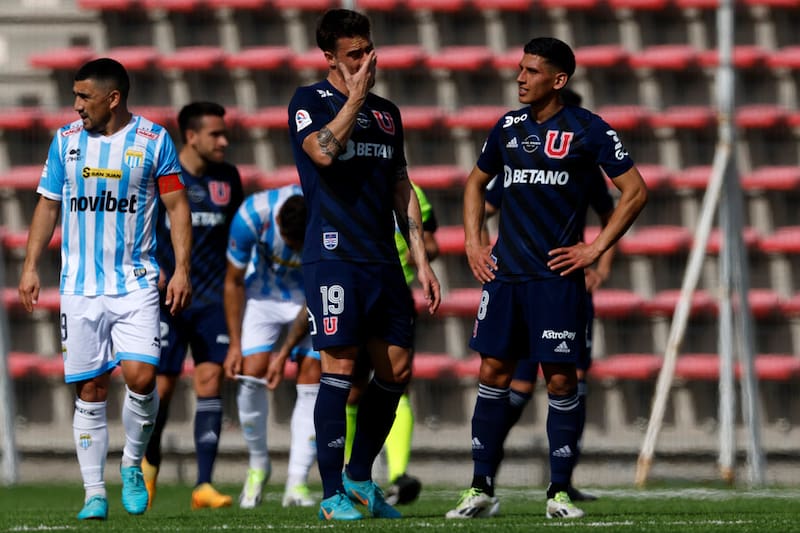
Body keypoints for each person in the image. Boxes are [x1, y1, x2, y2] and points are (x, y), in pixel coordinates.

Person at [446, 37, 647, 520]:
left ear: (558, 80)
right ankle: (480, 488)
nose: (520, 77)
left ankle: (558, 491)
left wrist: (597, 248)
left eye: (532, 71)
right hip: (506, 278)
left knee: (560, 379)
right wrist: (474, 241)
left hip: (556, 281)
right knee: (492, 374)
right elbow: (475, 182)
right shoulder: (507, 128)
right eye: (520, 68)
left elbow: (635, 191)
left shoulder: (588, 129)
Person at [17, 57, 192, 521]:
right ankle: (94, 492)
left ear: (113, 98)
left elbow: (177, 208)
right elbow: (47, 206)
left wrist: (182, 270)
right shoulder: (66, 142)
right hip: (79, 287)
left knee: (141, 376)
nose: (76, 106)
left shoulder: (154, 140)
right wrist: (31, 264)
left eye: (84, 97)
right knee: (90, 389)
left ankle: (132, 464)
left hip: (135, 282)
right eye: (75, 96)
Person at [287, 8, 441, 521]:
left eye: (368, 50)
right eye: (354, 54)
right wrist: (353, 98)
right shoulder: (309, 102)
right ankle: (331, 495)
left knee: (396, 368)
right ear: (329, 57)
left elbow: (402, 188)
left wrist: (421, 262)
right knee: (340, 368)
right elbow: (324, 154)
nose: (366, 61)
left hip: (381, 261)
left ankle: (358, 476)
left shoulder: (388, 114)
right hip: (332, 257)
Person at [482, 88, 614, 503]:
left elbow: (612, 212)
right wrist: (486, 250)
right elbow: (486, 205)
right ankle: (486, 475)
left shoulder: (585, 161)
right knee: (515, 384)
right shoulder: (518, 150)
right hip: (518, 285)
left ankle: (562, 479)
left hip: (561, 286)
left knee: (569, 380)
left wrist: (598, 263)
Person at [141, 102, 244, 510]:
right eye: (216, 134)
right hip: (165, 301)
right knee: (159, 390)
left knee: (209, 382)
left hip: (212, 299)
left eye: (225, 133)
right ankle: (147, 473)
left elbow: (236, 240)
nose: (224, 141)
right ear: (191, 136)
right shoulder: (162, 176)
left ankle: (203, 484)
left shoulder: (228, 178)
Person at [343, 181, 440, 506]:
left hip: (394, 295)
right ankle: (349, 475)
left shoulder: (411, 191)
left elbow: (431, 243)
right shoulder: (342, 181)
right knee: (350, 386)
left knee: (396, 382)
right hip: (354, 292)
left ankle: (398, 475)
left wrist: (418, 253)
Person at [222, 185, 315, 509]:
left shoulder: (324, 219)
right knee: (251, 374)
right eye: (293, 245)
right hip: (262, 297)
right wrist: (234, 344)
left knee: (314, 377)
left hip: (308, 299)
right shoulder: (250, 216)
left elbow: (320, 289)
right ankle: (258, 465)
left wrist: (285, 352)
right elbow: (233, 280)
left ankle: (297, 482)